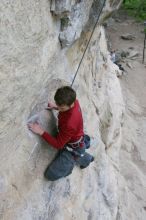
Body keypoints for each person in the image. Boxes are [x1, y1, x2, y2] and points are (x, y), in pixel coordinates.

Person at [28, 86, 94, 181]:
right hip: (76, 140)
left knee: (50, 175)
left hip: (73, 147)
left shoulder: (69, 123)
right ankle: (86, 158)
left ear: (71, 104)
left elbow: (58, 144)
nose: (59, 108)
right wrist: (56, 107)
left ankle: (71, 166)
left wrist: (40, 131)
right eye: (58, 105)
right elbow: (64, 108)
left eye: (61, 107)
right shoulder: (74, 101)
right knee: (78, 151)